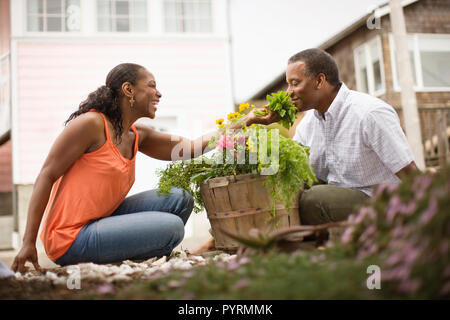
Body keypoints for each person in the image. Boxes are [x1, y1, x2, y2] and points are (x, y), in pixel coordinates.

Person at [12, 63, 278, 272]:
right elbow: (46, 175)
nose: (158, 93)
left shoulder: (137, 135)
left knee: (179, 198)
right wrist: (28, 243)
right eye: (151, 86)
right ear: (128, 90)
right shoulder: (91, 124)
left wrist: (248, 120)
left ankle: (121, 255)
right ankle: (120, 257)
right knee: (172, 228)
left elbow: (192, 147)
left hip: (101, 222)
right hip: (70, 239)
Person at [285, 48, 418, 227]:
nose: (288, 92)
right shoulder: (309, 121)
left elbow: (410, 172)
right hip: (343, 197)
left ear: (319, 80)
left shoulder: (369, 113)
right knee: (291, 184)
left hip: (382, 203)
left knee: (313, 200)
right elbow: (291, 169)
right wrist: (262, 120)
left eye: (294, 83)